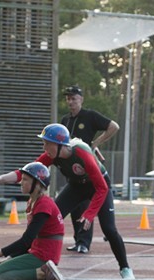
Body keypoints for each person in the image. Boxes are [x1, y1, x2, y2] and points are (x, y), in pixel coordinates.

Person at [0, 124, 135, 280]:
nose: (44, 147)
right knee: (45, 219)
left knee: (109, 229)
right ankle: (17, 259)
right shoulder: (51, 155)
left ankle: (125, 268)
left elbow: (102, 187)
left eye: (47, 143)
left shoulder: (82, 154)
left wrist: (90, 214)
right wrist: (0, 179)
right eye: (44, 143)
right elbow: (28, 172)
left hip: (99, 187)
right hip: (76, 187)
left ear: (60, 144)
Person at [0, 162, 65, 280]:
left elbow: (26, 240)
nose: (21, 182)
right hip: (37, 253)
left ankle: (42, 273)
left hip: (43, 256)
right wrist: (10, 259)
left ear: (38, 184)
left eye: (25, 179)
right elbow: (29, 243)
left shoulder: (44, 205)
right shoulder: (33, 202)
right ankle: (43, 272)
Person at [61, 85, 120, 254]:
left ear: (81, 99)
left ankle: (84, 242)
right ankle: (78, 240)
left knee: (86, 205)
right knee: (74, 207)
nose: (70, 102)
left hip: (88, 170)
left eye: (74, 98)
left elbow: (114, 126)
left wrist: (95, 143)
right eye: (68, 99)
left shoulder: (89, 116)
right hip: (72, 170)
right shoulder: (65, 120)